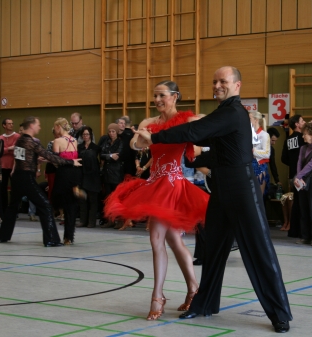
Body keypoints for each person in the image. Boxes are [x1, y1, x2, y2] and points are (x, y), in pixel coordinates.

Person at [134, 67, 293, 333]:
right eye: (215, 81)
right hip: (222, 188)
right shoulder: (223, 112)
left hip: (242, 188)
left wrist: (157, 136)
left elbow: (196, 130)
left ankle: (279, 314)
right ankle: (203, 304)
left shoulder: (233, 112)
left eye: (223, 81)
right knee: (214, 250)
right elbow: (220, 152)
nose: (217, 85)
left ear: (237, 85)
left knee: (259, 250)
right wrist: (191, 158)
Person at [104, 80, 209, 321]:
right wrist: (140, 139)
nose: (158, 100)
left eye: (162, 95)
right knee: (172, 239)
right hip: (155, 184)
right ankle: (194, 289)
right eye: (155, 96)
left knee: (156, 238)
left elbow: (204, 133)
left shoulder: (186, 120)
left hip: (173, 185)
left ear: (175, 96)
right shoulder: (148, 123)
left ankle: (158, 295)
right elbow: (136, 144)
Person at [0, 116, 81, 247]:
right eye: (38, 125)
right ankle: (51, 239)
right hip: (26, 178)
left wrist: (36, 161)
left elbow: (21, 159)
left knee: (13, 207)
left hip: (17, 177)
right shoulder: (32, 142)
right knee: (45, 205)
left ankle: (3, 235)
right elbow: (50, 156)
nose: (40, 127)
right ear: (31, 126)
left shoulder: (20, 140)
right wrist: (71, 162)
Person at [52, 118, 83, 245]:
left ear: (59, 127)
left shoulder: (57, 141)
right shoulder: (74, 140)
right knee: (71, 208)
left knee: (55, 203)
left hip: (63, 174)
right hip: (75, 174)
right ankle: (68, 237)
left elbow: (55, 161)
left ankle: (52, 235)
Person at [294, 123, 312, 247]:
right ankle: (305, 236)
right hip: (302, 180)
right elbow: (299, 163)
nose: (303, 137)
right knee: (304, 208)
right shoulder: (303, 148)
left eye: (305, 134)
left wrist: (299, 176)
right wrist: (298, 177)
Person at [99, 123, 126, 228]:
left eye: (113, 131)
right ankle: (110, 219)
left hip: (117, 172)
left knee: (117, 197)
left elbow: (117, 156)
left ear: (116, 132)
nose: (111, 134)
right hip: (107, 172)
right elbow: (101, 155)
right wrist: (110, 155)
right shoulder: (106, 142)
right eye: (109, 131)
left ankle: (119, 220)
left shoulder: (120, 142)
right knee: (108, 197)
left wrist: (107, 156)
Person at [76, 126, 101, 229]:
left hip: (93, 176)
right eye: (84, 134)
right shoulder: (79, 147)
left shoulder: (96, 147)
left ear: (90, 135)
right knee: (82, 200)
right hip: (82, 175)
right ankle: (83, 221)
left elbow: (100, 162)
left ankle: (91, 222)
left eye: (87, 134)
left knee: (92, 200)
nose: (85, 136)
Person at [0, 118, 21, 213]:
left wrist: (5, 150)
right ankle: (4, 210)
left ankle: (14, 210)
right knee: (2, 189)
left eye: (12, 123)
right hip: (2, 166)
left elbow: (18, 150)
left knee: (15, 190)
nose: (11, 125)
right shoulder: (0, 138)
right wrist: (10, 149)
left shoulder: (18, 136)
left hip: (14, 166)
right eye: (9, 123)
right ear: (4, 125)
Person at [249, 111, 270, 195]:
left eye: (249, 118)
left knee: (259, 196)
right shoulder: (249, 134)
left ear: (256, 120)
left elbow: (267, 153)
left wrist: (252, 151)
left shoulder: (264, 135)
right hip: (250, 165)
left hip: (259, 166)